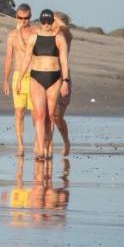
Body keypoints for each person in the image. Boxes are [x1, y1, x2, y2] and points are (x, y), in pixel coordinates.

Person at [13, 8, 69, 160]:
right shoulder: (34, 37)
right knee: (39, 115)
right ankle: (40, 148)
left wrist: (65, 82)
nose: (45, 24)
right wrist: (19, 80)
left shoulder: (59, 37)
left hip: (54, 78)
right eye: (43, 21)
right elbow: (26, 59)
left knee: (50, 116)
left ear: (52, 21)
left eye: (48, 21)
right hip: (36, 77)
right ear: (39, 21)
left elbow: (64, 61)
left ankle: (47, 145)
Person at [2, 3, 36, 154]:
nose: (24, 20)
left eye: (27, 18)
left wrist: (20, 32)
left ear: (30, 17)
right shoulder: (11, 35)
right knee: (19, 112)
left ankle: (38, 143)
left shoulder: (36, 32)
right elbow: (9, 58)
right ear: (16, 17)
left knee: (36, 114)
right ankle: (20, 145)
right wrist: (5, 80)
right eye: (20, 17)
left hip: (34, 75)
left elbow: (26, 50)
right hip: (18, 77)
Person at [46, 11, 73, 156]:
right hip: (46, 75)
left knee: (57, 117)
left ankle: (66, 142)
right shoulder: (46, 33)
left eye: (53, 20)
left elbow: (66, 29)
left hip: (63, 77)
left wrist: (56, 18)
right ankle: (47, 146)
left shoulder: (66, 36)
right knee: (47, 114)